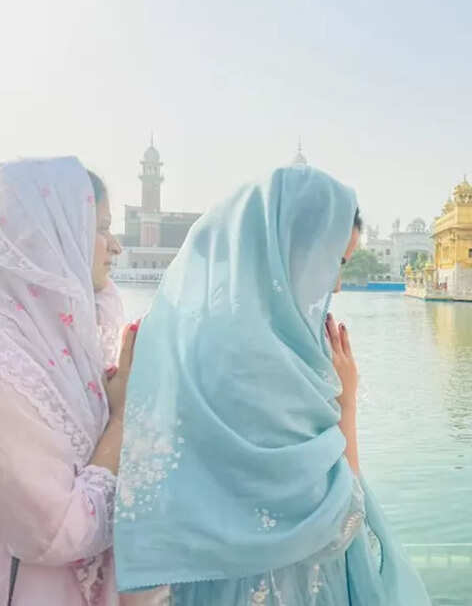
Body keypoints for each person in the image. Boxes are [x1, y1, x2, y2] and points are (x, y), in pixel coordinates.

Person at [113, 165, 431, 605]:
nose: (337, 284)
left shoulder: (191, 351)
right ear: (291, 254)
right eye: (334, 263)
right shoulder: (275, 370)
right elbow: (342, 518)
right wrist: (347, 403)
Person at [0, 157, 140, 605]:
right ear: (47, 239)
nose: (114, 246)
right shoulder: (10, 372)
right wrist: (120, 418)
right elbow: (58, 531)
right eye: (101, 227)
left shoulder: (58, 348)